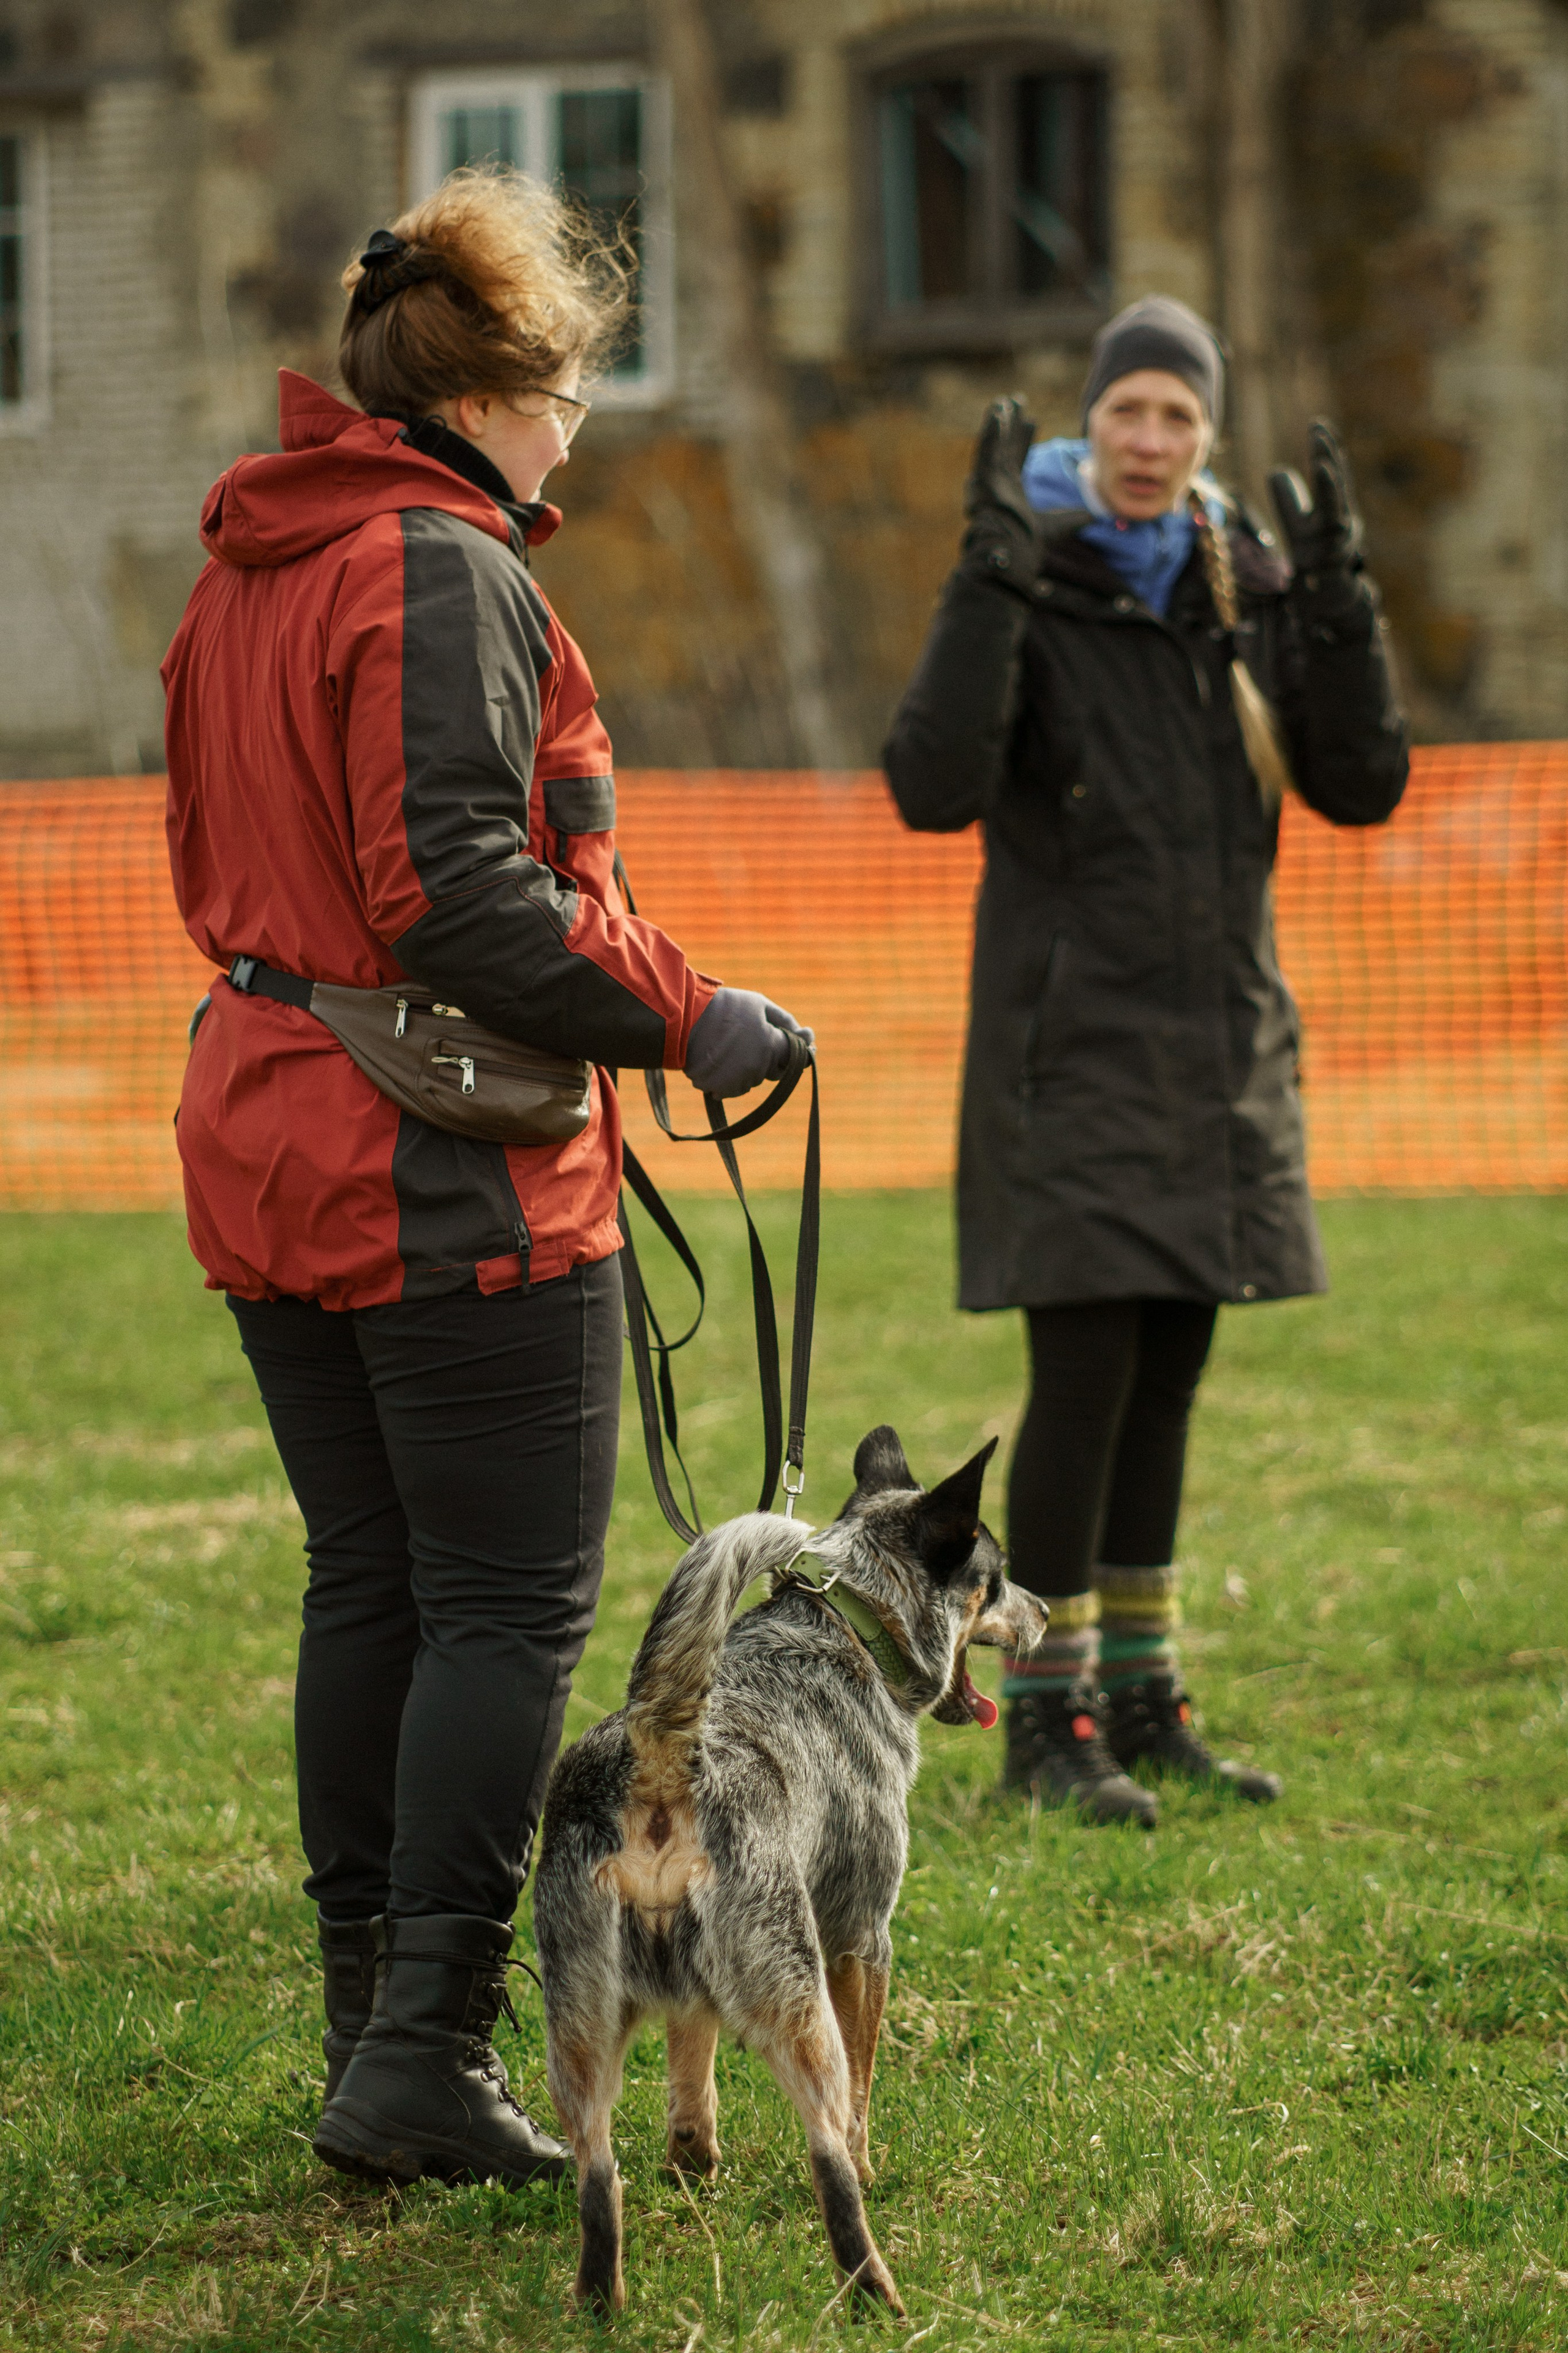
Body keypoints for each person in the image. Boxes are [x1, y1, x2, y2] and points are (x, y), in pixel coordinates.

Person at [162, 168, 807, 2185]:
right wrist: (691, 1013)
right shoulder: (438, 565)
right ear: (495, 390)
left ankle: (380, 2035)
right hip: (427, 1164)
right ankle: (423, 2051)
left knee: (376, 1586)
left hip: (267, 1123)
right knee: (505, 1614)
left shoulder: (250, 565)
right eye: (574, 391)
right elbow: (451, 888)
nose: (579, 428)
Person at [883, 296, 1408, 1829]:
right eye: (1127, 412)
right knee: (1088, 1370)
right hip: (1073, 1044)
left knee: (1171, 1361)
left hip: (1214, 1040)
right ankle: (1039, 1726)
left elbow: (1362, 781)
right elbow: (928, 782)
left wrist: (1337, 607)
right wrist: (983, 574)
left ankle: (1136, 1699)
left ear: (1205, 439)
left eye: (1178, 416)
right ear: (1087, 425)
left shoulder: (1233, 596)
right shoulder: (1029, 580)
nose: (1149, 440)